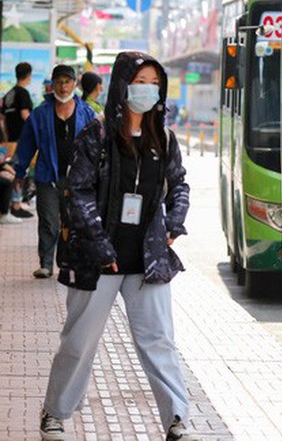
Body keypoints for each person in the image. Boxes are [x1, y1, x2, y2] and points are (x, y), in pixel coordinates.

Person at [38, 51, 196, 441]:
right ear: (123, 85)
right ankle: (55, 414)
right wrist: (100, 243)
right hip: (98, 261)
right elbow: (78, 192)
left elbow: (179, 184)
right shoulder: (97, 136)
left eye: (154, 83)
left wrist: (175, 222)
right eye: (140, 81)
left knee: (159, 342)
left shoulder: (165, 137)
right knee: (79, 342)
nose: (147, 90)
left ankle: (177, 420)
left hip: (148, 260)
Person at [14, 65, 95, 279]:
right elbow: (26, 146)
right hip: (47, 176)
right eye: (59, 82)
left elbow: (97, 147)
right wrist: (19, 172)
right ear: (53, 85)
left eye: (67, 82)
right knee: (49, 221)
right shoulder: (40, 114)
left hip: (77, 179)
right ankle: (46, 264)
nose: (63, 86)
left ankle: (68, 262)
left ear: (74, 84)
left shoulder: (87, 113)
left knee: (73, 222)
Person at [3, 61, 35, 218]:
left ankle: (13, 203)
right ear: (28, 75)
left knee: (11, 169)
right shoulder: (23, 93)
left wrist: (6, 137)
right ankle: (15, 204)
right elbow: (25, 115)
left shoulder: (9, 94)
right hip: (21, 140)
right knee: (19, 171)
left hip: (9, 140)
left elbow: (2, 117)